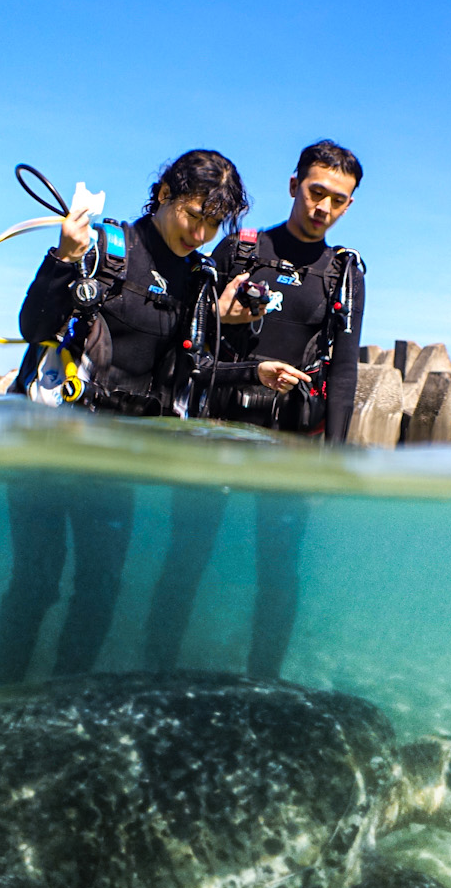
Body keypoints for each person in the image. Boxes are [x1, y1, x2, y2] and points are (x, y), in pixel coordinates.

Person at [0, 151, 308, 687]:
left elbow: (198, 368)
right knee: (36, 582)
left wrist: (255, 371)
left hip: (119, 455)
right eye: (193, 213)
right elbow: (31, 325)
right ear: (163, 194)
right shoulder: (107, 249)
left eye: (213, 222)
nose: (201, 232)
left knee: (101, 587)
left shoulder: (198, 279)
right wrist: (64, 259)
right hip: (49, 441)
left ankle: (62, 705)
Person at [144, 140, 366, 681]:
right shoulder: (240, 251)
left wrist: (332, 458)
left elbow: (344, 370)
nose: (324, 208)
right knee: (186, 555)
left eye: (338, 200)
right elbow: (192, 346)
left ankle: (262, 682)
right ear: (295, 186)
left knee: (279, 569)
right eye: (316, 192)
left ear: (349, 205)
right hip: (218, 428)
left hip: (289, 442)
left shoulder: (343, 271)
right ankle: (157, 675)